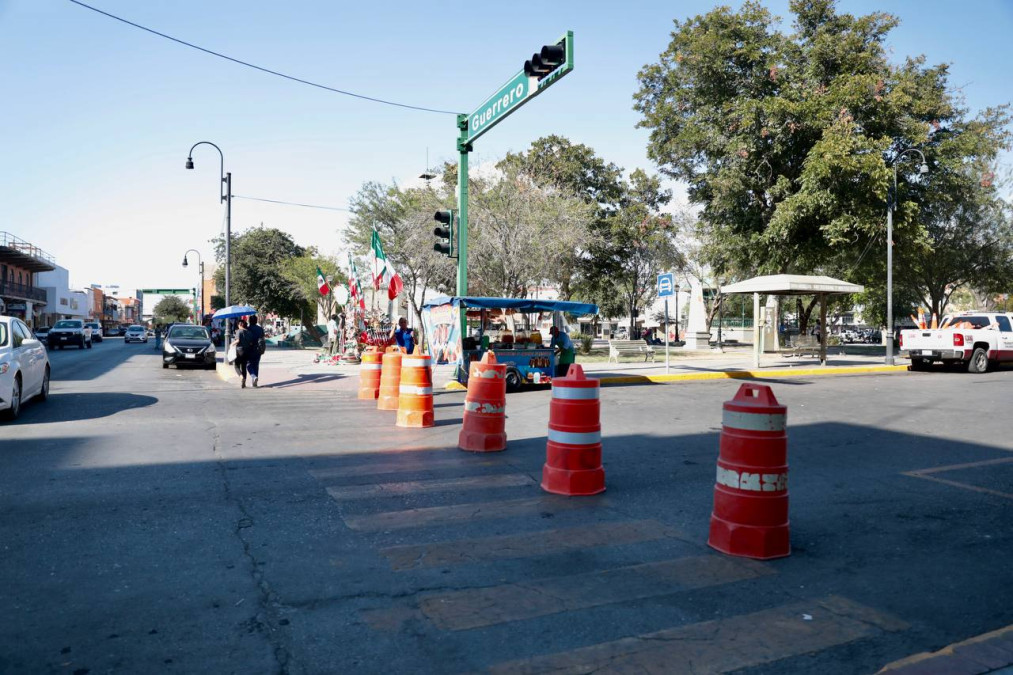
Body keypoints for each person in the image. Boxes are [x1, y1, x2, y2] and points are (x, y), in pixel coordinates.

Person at [245, 315, 265, 387]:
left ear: (249, 321)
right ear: (256, 321)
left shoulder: (247, 329)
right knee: (256, 365)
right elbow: (263, 338)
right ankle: (255, 382)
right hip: (258, 349)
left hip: (250, 349)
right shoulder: (260, 329)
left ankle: (253, 376)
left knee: (248, 365)